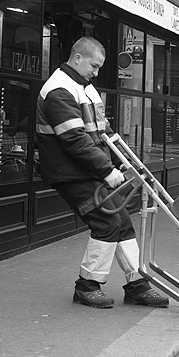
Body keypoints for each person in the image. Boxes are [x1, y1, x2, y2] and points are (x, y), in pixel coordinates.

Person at [36, 36, 168, 309]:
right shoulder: (59, 90)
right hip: (70, 174)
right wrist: (107, 169)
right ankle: (86, 287)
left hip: (89, 172)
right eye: (94, 66)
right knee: (106, 223)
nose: (96, 72)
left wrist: (124, 161)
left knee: (122, 222)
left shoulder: (86, 88)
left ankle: (137, 285)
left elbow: (103, 132)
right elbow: (74, 139)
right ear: (77, 58)